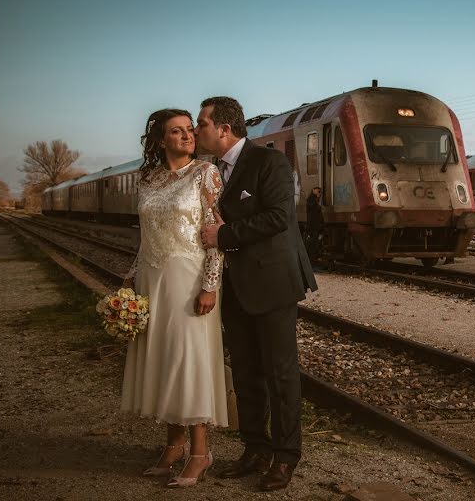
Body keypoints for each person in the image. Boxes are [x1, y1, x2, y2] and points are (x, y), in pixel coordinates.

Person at [196, 96, 318, 492]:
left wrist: (224, 234)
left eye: (202, 124)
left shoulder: (270, 162)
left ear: (224, 129)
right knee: (247, 373)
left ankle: (285, 457)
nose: (197, 131)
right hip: (236, 286)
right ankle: (255, 448)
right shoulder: (214, 170)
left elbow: (280, 217)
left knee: (281, 374)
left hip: (273, 283)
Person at [121, 108, 227, 488]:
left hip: (189, 278)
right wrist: (130, 280)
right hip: (152, 277)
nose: (186, 136)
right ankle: (174, 445)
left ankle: (200, 452)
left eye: (189, 130)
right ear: (160, 140)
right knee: (165, 361)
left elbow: (216, 231)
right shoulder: (148, 179)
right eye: (176, 131)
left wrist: (211, 284)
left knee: (188, 361)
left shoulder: (205, 173)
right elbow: (146, 235)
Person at [305, 187, 324, 261]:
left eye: (320, 192)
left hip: (316, 228)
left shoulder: (315, 204)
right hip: (313, 228)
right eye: (319, 192)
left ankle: (314, 259)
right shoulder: (311, 203)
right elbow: (313, 217)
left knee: (316, 244)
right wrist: (313, 194)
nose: (320, 194)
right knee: (313, 245)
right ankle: (312, 259)